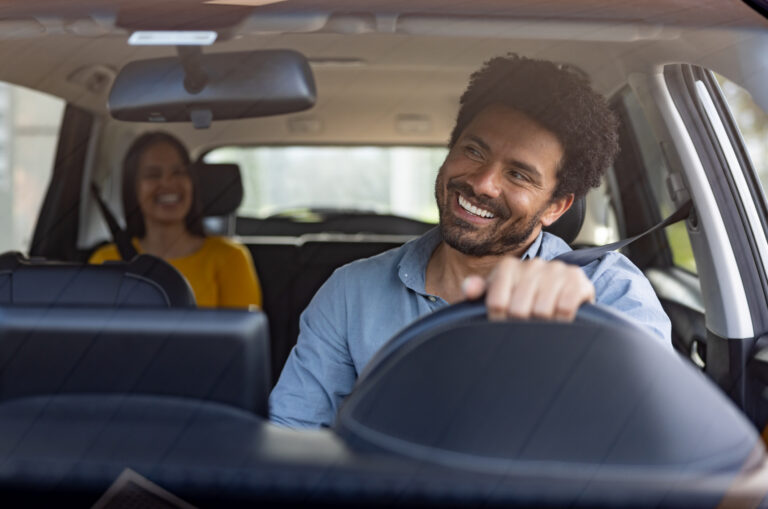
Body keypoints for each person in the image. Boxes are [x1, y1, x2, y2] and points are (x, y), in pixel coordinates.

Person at [269, 54, 672, 428]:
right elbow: (295, 437)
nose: (482, 184)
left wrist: (579, 338)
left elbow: (655, 435)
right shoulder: (351, 292)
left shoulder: (607, 293)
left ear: (556, 207)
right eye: (474, 151)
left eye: (518, 174)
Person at [90, 131, 262, 309]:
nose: (168, 182)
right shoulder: (106, 261)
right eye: (153, 174)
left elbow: (240, 335)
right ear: (133, 188)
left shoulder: (231, 257)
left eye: (179, 172)